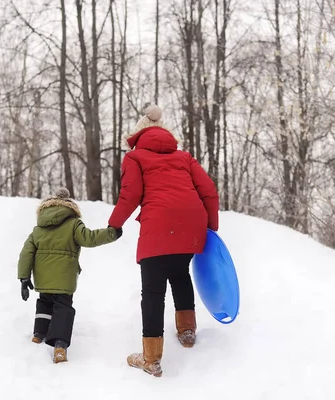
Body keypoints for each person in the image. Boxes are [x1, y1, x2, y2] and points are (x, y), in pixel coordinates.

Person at [108, 104, 219, 377]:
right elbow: (209, 192)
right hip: (191, 225)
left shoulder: (135, 158)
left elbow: (130, 196)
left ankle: (151, 358)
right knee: (180, 274)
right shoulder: (184, 157)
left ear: (137, 136)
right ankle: (187, 331)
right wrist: (211, 230)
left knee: (154, 292)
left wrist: (114, 225)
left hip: (158, 225)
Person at [17, 188, 122, 363]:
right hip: (65, 276)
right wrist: (112, 233)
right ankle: (60, 345)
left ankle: (39, 333)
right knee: (63, 307)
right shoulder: (74, 223)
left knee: (45, 301)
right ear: (70, 205)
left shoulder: (39, 228)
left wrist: (24, 277)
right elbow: (90, 238)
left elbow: (26, 252)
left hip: (43, 276)